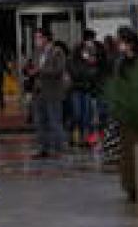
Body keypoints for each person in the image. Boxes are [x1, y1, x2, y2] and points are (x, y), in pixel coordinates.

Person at [30, 27, 69, 158]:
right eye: (35, 38)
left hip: (53, 92)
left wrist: (40, 71)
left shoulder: (57, 52)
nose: (36, 40)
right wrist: (30, 71)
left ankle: (59, 148)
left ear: (46, 38)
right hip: (39, 92)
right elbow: (33, 67)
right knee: (40, 122)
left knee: (55, 121)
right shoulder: (37, 52)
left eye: (38, 37)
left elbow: (58, 70)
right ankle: (43, 148)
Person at [68, 30, 106, 145]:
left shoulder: (97, 51)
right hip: (76, 88)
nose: (90, 42)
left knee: (87, 115)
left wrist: (94, 61)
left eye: (92, 39)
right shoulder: (76, 52)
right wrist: (87, 64)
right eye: (89, 39)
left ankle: (86, 138)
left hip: (89, 88)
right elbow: (73, 70)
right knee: (77, 114)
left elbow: (101, 67)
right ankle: (76, 135)